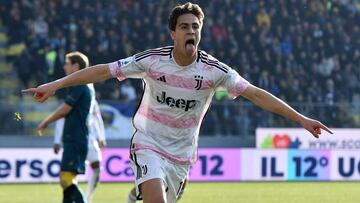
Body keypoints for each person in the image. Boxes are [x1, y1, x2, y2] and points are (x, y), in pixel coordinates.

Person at [23, 2, 333, 203]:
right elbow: (104, 70)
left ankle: (137, 195)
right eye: (184, 26)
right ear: (173, 32)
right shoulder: (152, 61)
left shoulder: (215, 71)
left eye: (195, 27)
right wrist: (56, 84)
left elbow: (255, 94)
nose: (191, 31)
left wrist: (301, 119)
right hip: (147, 140)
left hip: (182, 155)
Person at [35, 51, 93, 203]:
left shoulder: (80, 86)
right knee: (66, 179)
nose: (64, 67)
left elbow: (65, 109)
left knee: (66, 178)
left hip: (75, 138)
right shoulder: (78, 86)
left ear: (76, 66)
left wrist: (46, 121)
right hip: (73, 138)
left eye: (67, 63)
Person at [54, 98, 106, 203]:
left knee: (97, 167)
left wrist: (101, 137)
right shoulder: (71, 98)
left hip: (90, 139)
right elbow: (61, 119)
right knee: (69, 174)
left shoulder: (91, 98)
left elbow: (97, 118)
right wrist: (57, 140)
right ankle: (75, 198)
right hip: (74, 139)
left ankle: (88, 197)